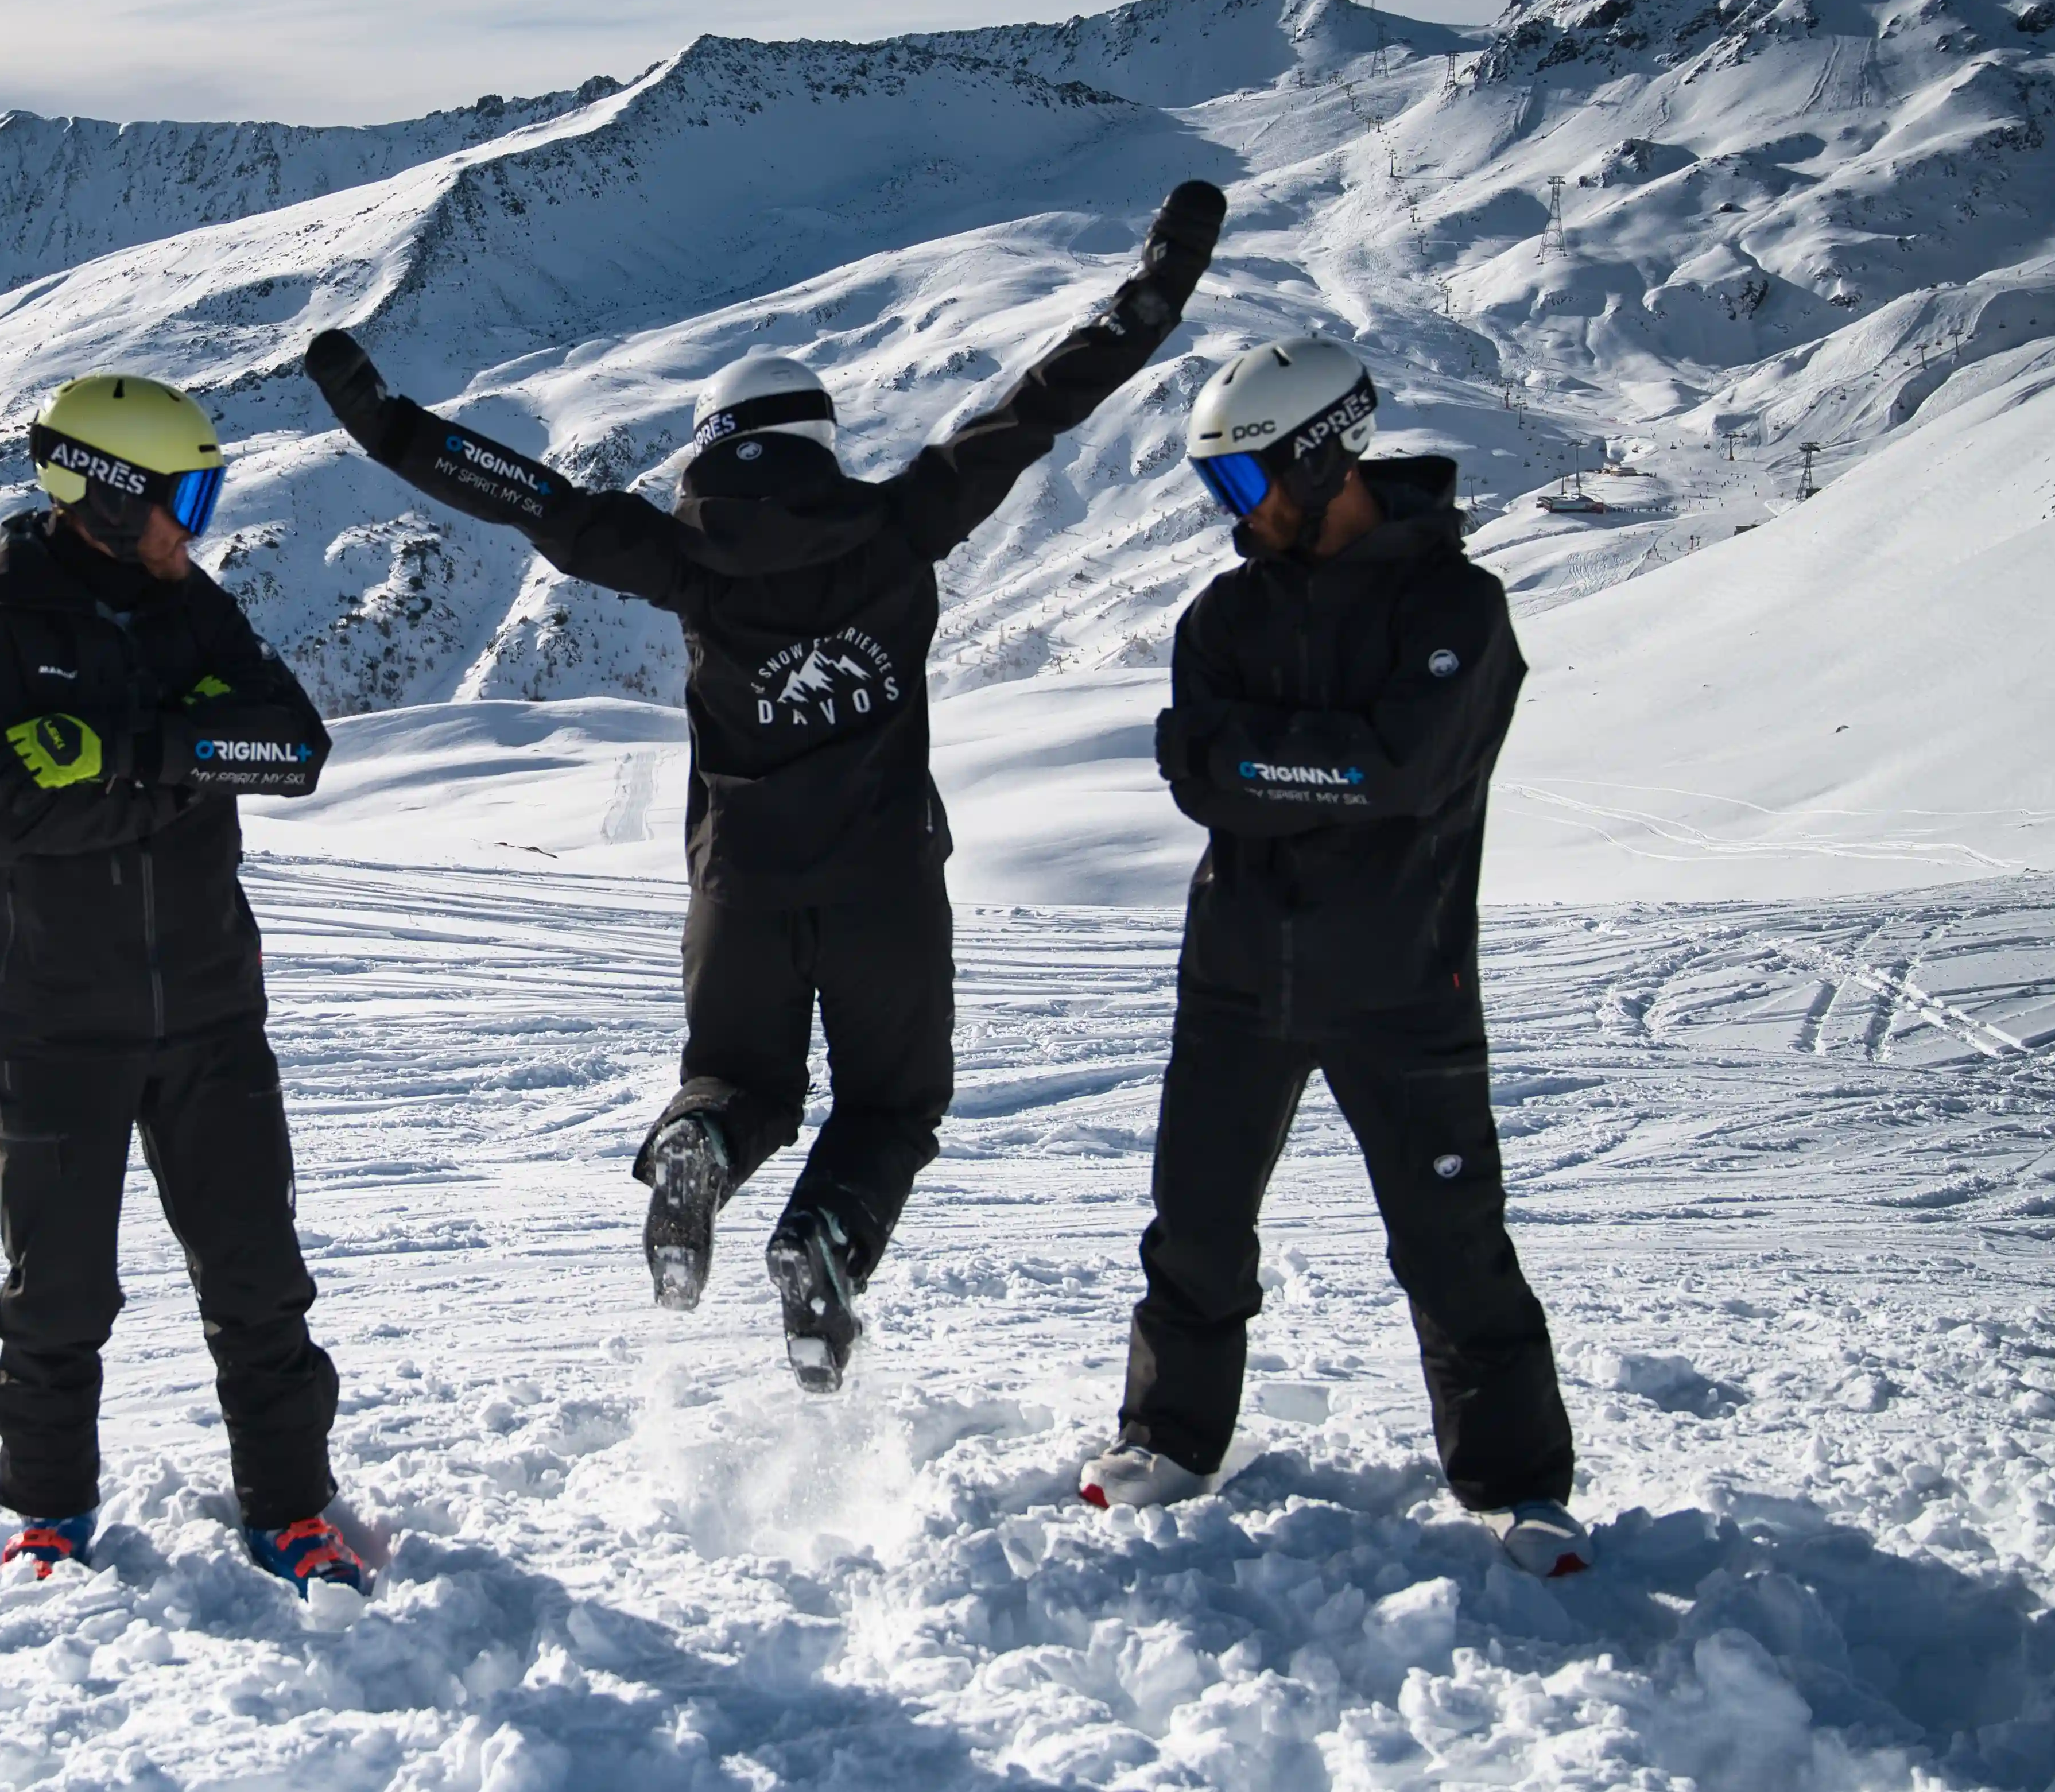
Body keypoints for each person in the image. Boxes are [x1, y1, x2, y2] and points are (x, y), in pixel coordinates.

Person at [308, 182, 1223, 1393]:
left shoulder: (684, 561)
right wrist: (1154, 292)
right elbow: (1041, 405)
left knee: (743, 1088)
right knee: (891, 1107)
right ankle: (823, 1244)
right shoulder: (907, 522)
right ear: (818, 443)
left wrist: (387, 427)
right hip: (886, 885)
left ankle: (700, 1147)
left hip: (739, 889)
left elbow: (532, 498)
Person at [1081, 337, 1588, 1577]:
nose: (1235, 517)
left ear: (1319, 459)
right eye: (1221, 494)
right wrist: (1317, 762)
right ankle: (1173, 1435)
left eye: (1248, 486)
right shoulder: (1224, 613)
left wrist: (1267, 760)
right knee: (1195, 1224)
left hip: (1404, 980)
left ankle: (1516, 1483)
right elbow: (1205, 774)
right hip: (1239, 978)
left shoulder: (1458, 609)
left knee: (1452, 1239)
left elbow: (1407, 769)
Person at [0, 372, 366, 1595]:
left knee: (260, 1281)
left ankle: (294, 1507)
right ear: (109, 497)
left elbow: (297, 747)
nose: (199, 525)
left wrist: (126, 753)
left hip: (215, 1012)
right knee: (58, 1294)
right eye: (187, 497)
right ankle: (45, 1508)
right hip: (57, 1021)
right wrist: (196, 754)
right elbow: (14, 813)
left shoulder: (193, 611)